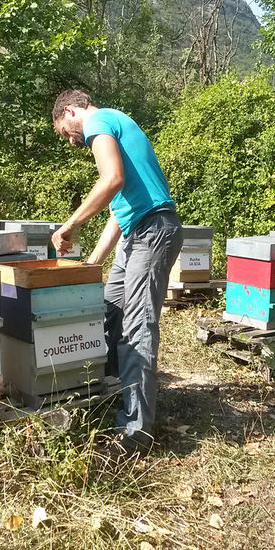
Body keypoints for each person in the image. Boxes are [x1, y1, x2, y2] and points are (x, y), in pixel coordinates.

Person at [50, 89, 183, 454]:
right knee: (110, 310)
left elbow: (112, 180)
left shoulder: (98, 122)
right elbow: (118, 212)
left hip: (152, 230)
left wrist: (70, 224)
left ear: (71, 111)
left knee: (137, 328)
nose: (70, 141)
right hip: (136, 230)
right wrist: (93, 264)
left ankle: (136, 431)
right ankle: (111, 394)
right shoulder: (114, 122)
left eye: (64, 132)